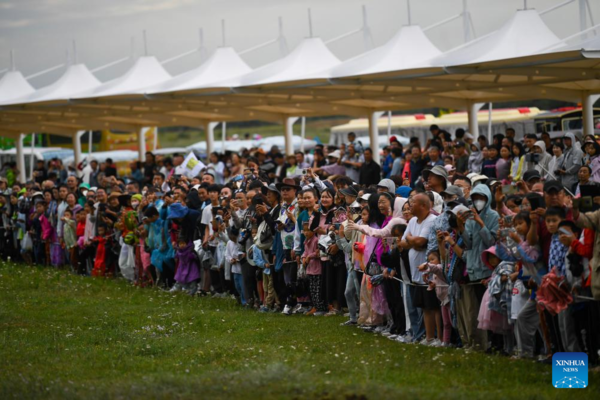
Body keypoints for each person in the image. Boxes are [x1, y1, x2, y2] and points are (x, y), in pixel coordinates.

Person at [400, 193, 436, 344]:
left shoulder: (431, 220)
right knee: (422, 306)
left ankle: (435, 337)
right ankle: (426, 337)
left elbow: (421, 242)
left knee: (432, 306)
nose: (409, 205)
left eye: (413, 202)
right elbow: (402, 243)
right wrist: (412, 240)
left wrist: (411, 239)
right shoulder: (413, 220)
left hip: (428, 273)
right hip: (415, 273)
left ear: (423, 206)